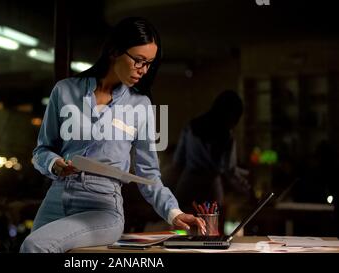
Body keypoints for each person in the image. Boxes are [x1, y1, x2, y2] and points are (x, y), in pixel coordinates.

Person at [19, 17, 206, 253]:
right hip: (57, 197)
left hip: (102, 206)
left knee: (36, 245)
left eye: (148, 63)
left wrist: (174, 212)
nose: (143, 70)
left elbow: (148, 173)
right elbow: (41, 150)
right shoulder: (65, 91)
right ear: (114, 51)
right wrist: (54, 163)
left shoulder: (141, 105)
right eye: (138, 60)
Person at [172, 90, 251, 218]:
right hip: (210, 189)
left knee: (182, 229)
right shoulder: (226, 136)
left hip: (187, 185)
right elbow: (229, 171)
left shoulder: (191, 127)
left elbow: (177, 161)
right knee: (210, 229)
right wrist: (247, 189)